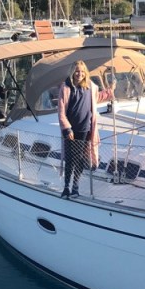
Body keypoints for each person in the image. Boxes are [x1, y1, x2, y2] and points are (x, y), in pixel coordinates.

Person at [57, 60, 104, 198]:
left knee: (80, 159)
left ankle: (75, 187)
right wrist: (67, 128)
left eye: (82, 71)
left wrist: (110, 91)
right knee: (70, 159)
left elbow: (97, 98)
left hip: (85, 128)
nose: (80, 74)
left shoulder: (90, 86)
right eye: (77, 71)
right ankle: (66, 187)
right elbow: (61, 112)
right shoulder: (66, 87)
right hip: (70, 130)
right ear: (72, 72)